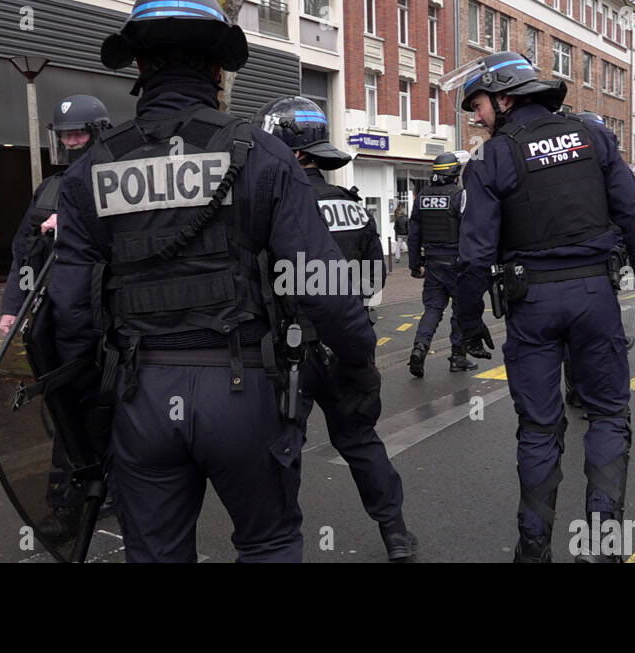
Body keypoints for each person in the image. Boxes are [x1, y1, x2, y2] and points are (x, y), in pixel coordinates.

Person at [48, 0, 378, 562]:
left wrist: (89, 415)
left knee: (154, 554)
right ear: (218, 72)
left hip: (139, 394)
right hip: (242, 390)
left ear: (140, 69)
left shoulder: (91, 169)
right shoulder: (262, 153)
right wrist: (357, 363)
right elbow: (322, 284)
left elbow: (70, 310)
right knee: (269, 543)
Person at [452, 51, 635, 562]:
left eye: (478, 105)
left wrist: (466, 319)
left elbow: (475, 254)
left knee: (539, 428)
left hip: (531, 305)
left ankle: (532, 549)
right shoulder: (593, 138)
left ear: (504, 98)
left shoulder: (491, 158)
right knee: (609, 415)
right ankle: (602, 546)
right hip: (595, 297)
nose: (475, 117)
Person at [252, 95, 415, 560]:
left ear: (291, 152)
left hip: (290, 350)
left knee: (285, 448)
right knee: (361, 441)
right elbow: (373, 280)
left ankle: (280, 545)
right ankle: (396, 534)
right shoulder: (352, 205)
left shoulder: (275, 206)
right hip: (348, 344)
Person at [0, 95, 112, 335]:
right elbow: (24, 252)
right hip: (56, 310)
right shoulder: (49, 188)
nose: (69, 142)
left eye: (78, 133)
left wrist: (70, 221)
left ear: (98, 133)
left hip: (105, 309)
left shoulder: (116, 183)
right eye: (63, 134)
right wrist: (13, 307)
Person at [407, 152, 478, 377]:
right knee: (459, 310)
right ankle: (458, 357)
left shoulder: (422, 197)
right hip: (457, 263)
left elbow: (413, 232)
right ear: (454, 173)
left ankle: (420, 347)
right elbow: (470, 231)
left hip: (433, 262)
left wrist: (414, 263)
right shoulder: (461, 196)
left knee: (432, 309)